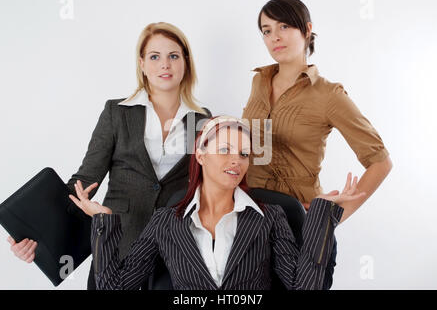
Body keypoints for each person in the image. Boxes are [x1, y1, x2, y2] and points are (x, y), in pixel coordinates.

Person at [7, 22, 212, 289]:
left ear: (185, 61)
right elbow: (85, 181)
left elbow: (204, 187)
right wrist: (37, 235)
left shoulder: (202, 119)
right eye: (154, 57)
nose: (165, 65)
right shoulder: (118, 112)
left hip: (174, 250)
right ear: (141, 63)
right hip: (117, 245)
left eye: (173, 56)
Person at [69, 115, 365, 290]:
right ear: (201, 155)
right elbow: (114, 287)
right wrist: (104, 220)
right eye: (225, 149)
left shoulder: (271, 217)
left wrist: (322, 215)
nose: (236, 160)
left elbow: (306, 287)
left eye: (244, 154)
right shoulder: (165, 221)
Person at [241, 0, 393, 289]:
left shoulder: (329, 95)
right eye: (266, 30)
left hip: (300, 224)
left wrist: (331, 220)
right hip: (252, 221)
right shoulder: (258, 82)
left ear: (307, 29)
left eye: (283, 26)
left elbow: (381, 162)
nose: (274, 37)